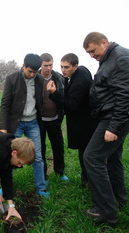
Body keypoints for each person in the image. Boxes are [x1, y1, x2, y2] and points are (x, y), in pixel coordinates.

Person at [82, 32, 129, 224]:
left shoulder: (121, 58)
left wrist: (114, 127)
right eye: (88, 53)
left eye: (93, 50)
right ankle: (118, 199)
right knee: (113, 158)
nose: (91, 55)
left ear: (104, 42)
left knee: (92, 157)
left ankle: (106, 211)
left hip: (116, 118)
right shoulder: (111, 57)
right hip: (112, 116)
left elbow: (127, 94)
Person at [0, 53, 48, 198]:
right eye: (30, 71)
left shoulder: (40, 80)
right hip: (16, 124)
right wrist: (3, 127)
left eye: (35, 72)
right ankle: (5, 188)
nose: (32, 74)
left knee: (38, 157)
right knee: (10, 155)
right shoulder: (11, 79)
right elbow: (5, 104)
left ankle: (41, 188)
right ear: (23, 66)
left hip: (33, 123)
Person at [46, 53, 95, 187]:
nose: (63, 70)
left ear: (75, 66)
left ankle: (88, 182)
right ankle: (86, 180)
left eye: (66, 67)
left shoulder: (79, 82)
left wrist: (54, 93)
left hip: (84, 124)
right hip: (86, 121)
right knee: (85, 153)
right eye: (61, 67)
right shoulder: (81, 72)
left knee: (85, 154)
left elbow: (72, 106)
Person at [38, 53, 67, 181]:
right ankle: (43, 175)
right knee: (40, 149)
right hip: (39, 121)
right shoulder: (35, 78)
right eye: (45, 65)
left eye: (50, 65)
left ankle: (60, 172)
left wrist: (61, 114)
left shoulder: (59, 78)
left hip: (55, 119)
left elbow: (64, 98)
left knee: (58, 147)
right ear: (40, 65)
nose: (48, 68)